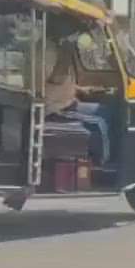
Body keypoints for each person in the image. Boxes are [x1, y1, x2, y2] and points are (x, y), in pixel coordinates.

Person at [45, 30, 112, 166]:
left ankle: (104, 151)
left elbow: (61, 82)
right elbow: (56, 78)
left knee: (107, 111)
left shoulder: (57, 49)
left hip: (69, 102)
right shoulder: (47, 52)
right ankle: (104, 164)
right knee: (100, 123)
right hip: (56, 108)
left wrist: (81, 89)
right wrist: (67, 51)